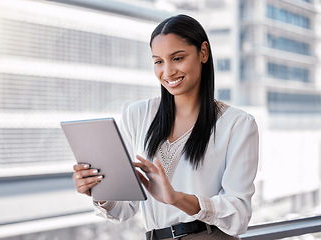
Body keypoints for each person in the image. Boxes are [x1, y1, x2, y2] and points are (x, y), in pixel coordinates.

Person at [73, 14, 259, 240]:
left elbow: (238, 214)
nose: (168, 72)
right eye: (159, 61)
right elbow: (125, 208)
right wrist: (99, 192)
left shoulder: (237, 124)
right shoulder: (136, 115)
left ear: (203, 52)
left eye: (178, 58)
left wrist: (177, 198)